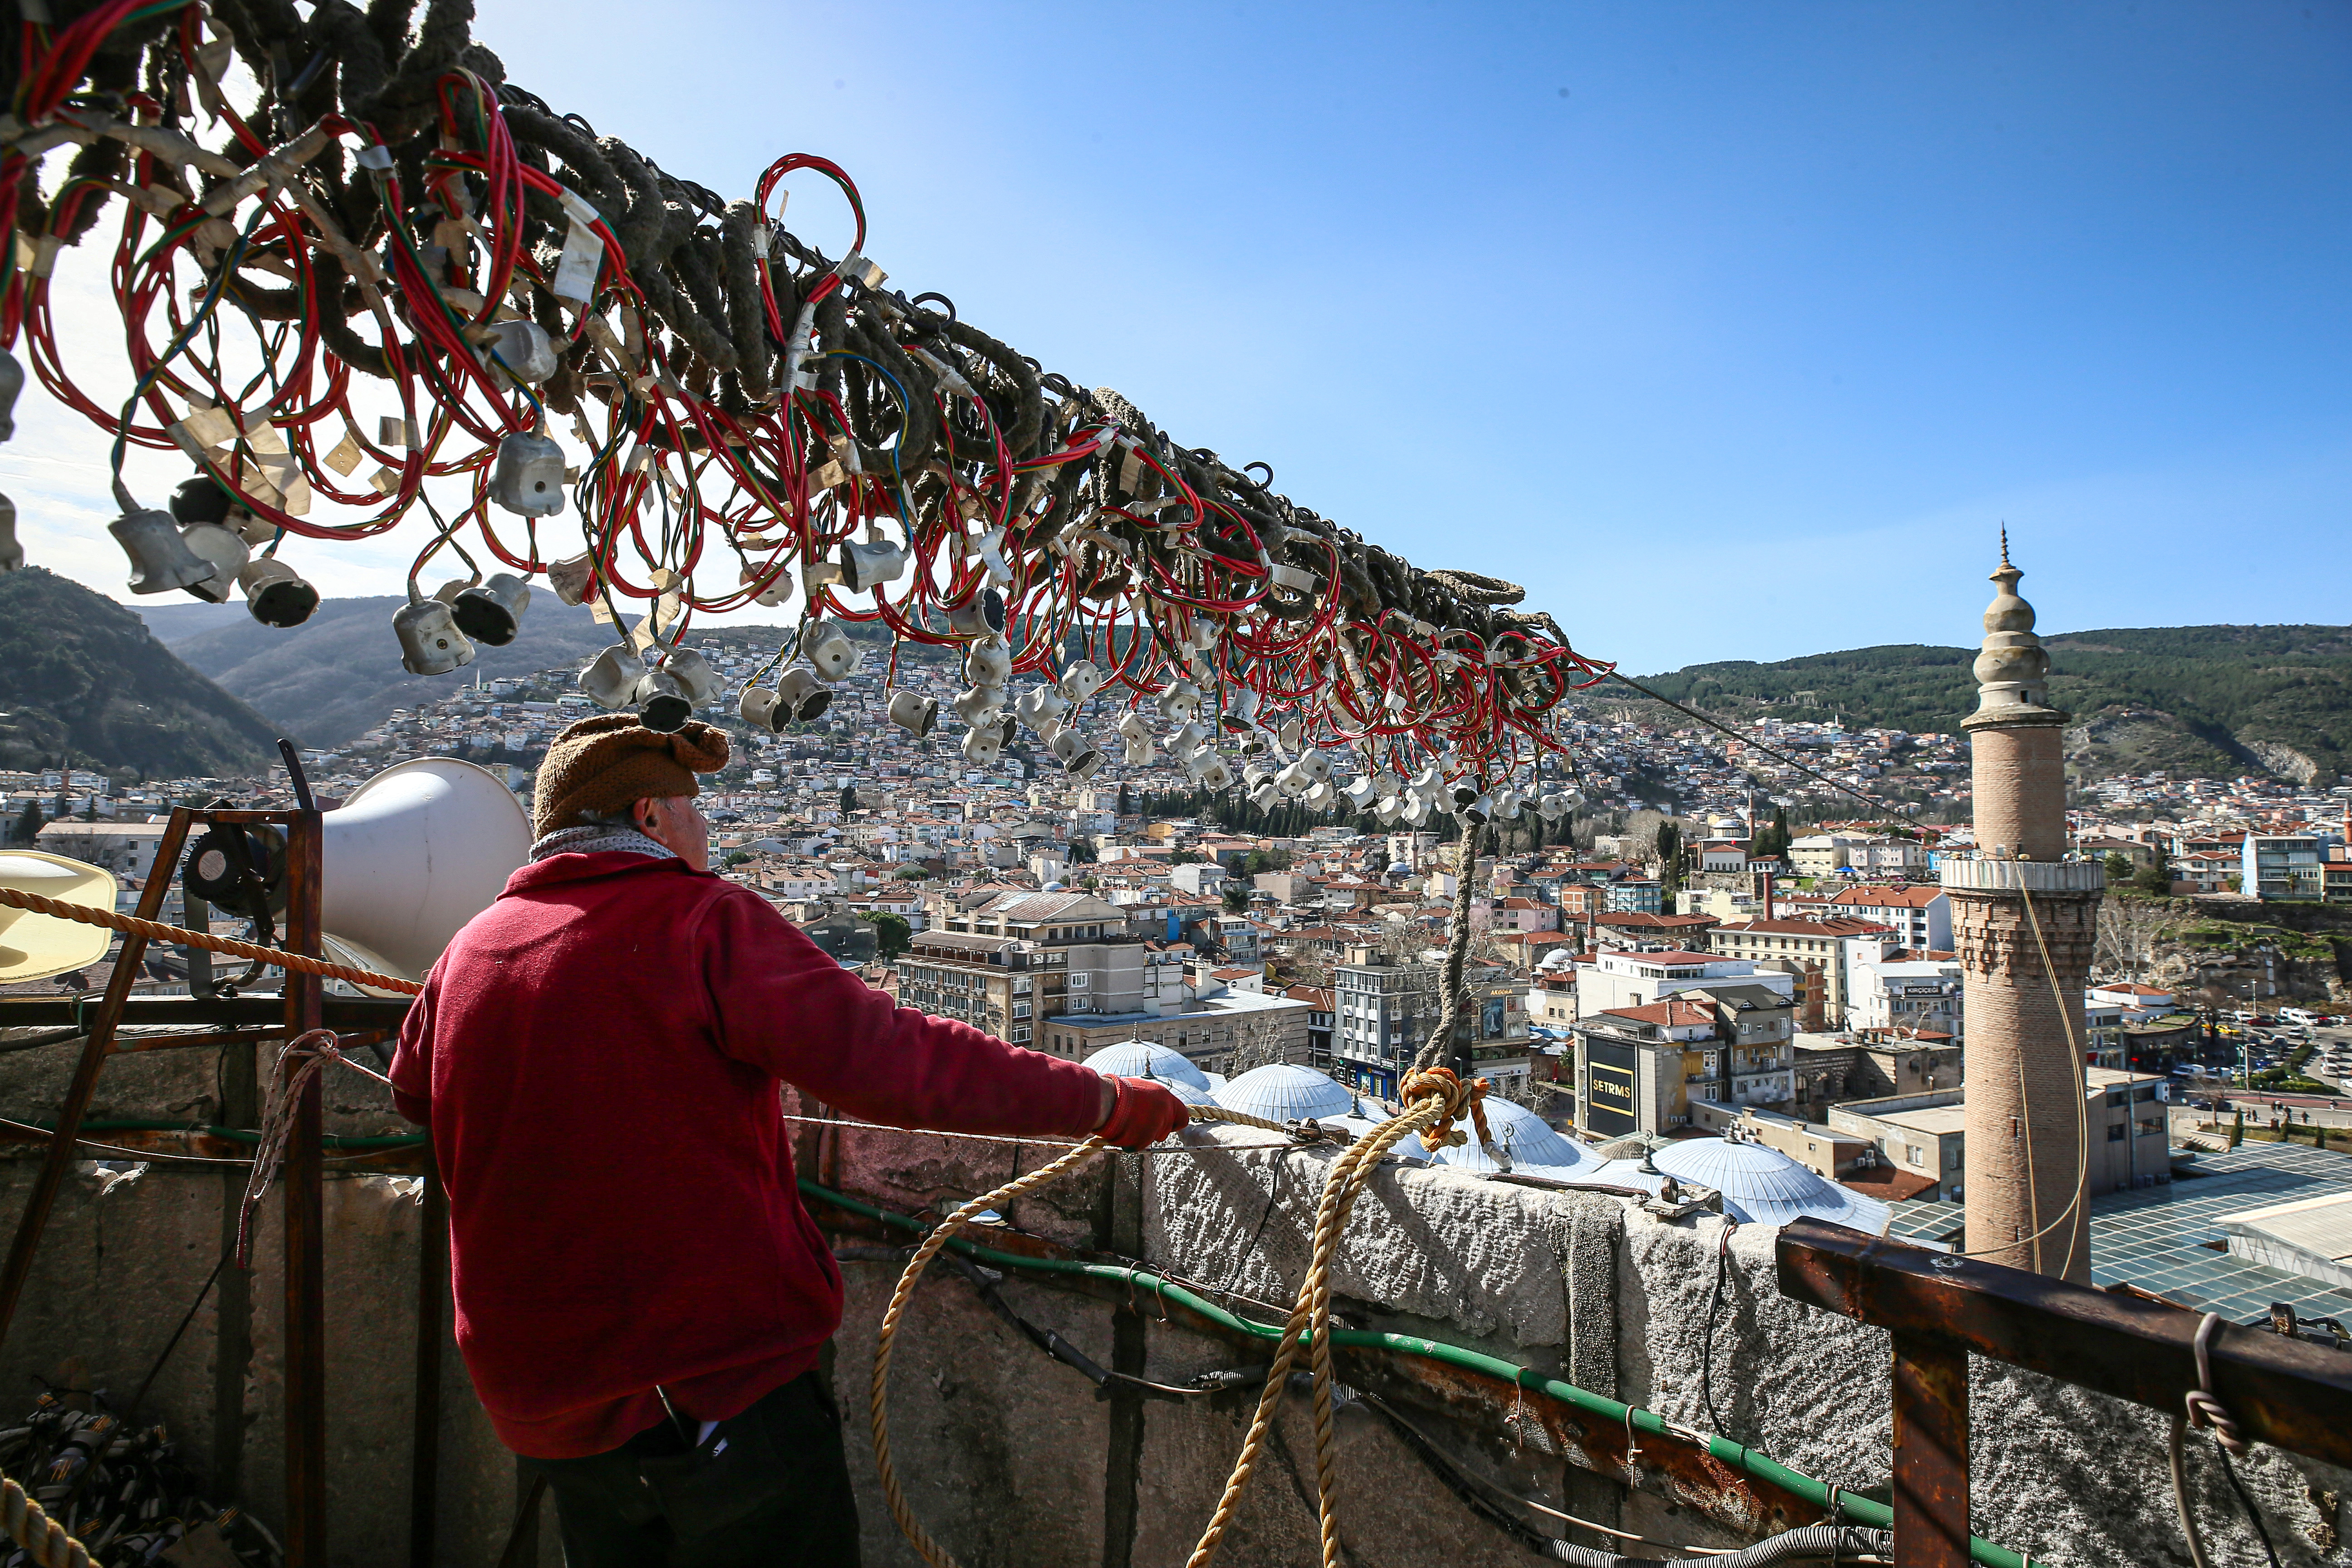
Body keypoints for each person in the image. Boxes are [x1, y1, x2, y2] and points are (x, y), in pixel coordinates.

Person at [390, 713, 1188, 1567]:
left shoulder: (467, 953)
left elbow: (413, 1095)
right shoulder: (697, 922)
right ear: (650, 818)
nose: (710, 830)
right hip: (707, 1381)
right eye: (696, 810)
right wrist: (1102, 1101)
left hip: (542, 1399)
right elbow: (894, 1061)